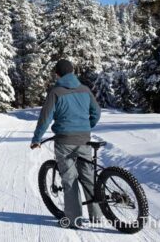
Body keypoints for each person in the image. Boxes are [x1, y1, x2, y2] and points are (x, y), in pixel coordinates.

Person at [30, 59, 103, 229]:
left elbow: (45, 118)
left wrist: (36, 139)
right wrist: (87, 127)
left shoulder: (55, 92)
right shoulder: (85, 89)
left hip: (64, 141)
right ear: (72, 72)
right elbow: (96, 112)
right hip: (84, 140)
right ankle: (97, 215)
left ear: (57, 74)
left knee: (70, 179)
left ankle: (74, 219)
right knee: (88, 176)